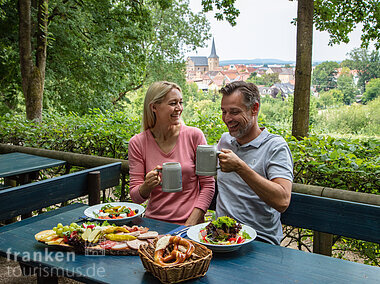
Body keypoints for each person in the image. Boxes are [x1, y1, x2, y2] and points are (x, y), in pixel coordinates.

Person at [216, 81, 293, 245]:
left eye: (235, 112)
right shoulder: (225, 141)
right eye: (224, 112)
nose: (227, 119)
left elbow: (282, 201)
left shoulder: (275, 146)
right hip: (220, 237)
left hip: (261, 241)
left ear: (254, 108)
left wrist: (240, 167)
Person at [128, 81, 215, 226]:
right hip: (153, 224)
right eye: (173, 103)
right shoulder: (138, 143)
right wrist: (147, 186)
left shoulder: (194, 136)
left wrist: (189, 225)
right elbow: (136, 198)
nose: (179, 108)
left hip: (190, 226)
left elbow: (208, 186)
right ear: (154, 107)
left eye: (180, 102)